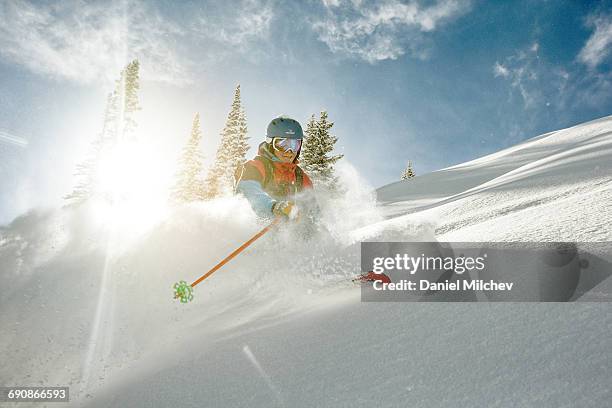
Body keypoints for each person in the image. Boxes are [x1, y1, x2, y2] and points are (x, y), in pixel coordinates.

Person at [235, 116, 314, 221]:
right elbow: (249, 192)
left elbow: (313, 211)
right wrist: (273, 207)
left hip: (288, 233)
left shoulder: (300, 177)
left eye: (295, 145)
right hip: (255, 226)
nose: (289, 151)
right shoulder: (255, 167)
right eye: (282, 144)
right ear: (271, 144)